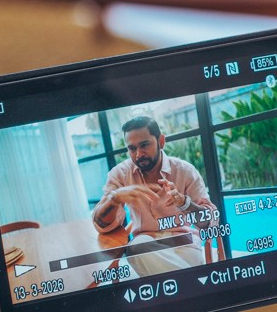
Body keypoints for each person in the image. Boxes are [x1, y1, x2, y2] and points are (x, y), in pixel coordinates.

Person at [92, 114, 218, 274]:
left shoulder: (185, 170)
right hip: (145, 242)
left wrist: (184, 203)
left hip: (184, 242)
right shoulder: (120, 174)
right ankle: (198, 283)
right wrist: (114, 199)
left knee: (147, 263)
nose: (138, 154)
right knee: (137, 247)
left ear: (161, 141)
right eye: (132, 148)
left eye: (144, 145)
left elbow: (210, 221)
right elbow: (101, 225)